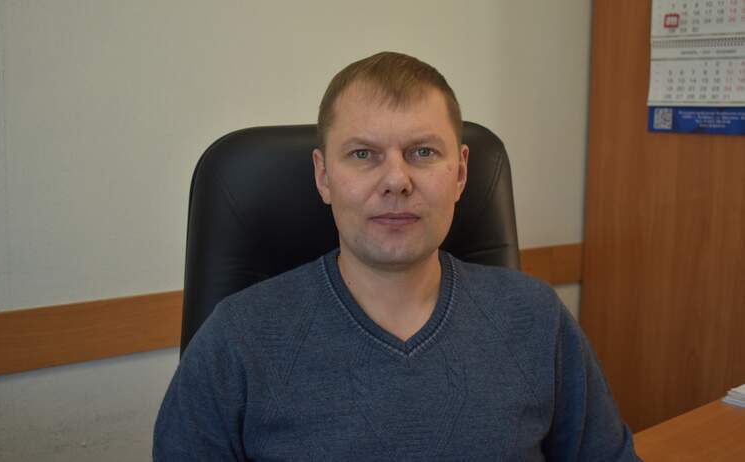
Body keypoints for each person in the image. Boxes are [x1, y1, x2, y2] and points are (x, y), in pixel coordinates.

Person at [154, 51, 640, 461]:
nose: (396, 180)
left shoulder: (535, 318)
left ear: (461, 173)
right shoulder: (236, 340)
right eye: (363, 154)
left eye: (422, 152)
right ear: (323, 176)